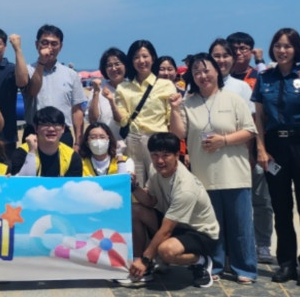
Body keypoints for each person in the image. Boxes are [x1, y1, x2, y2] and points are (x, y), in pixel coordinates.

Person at [171, 54, 258, 283]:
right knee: (212, 226)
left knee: (240, 225)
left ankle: (245, 268)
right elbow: (179, 133)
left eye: (207, 70)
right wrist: (173, 108)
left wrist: (224, 140)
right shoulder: (188, 102)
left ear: (217, 72)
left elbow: (250, 131)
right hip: (204, 174)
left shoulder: (234, 99)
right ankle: (216, 265)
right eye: (197, 72)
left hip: (234, 173)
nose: (203, 76)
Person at [252, 28, 300, 286]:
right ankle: (286, 262)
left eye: (287, 46)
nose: (282, 51)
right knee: (281, 207)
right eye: (278, 46)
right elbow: (259, 117)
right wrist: (261, 148)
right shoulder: (265, 78)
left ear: (296, 49)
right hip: (276, 146)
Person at [123, 132, 221, 288]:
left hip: (199, 232)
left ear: (177, 155)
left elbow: (166, 230)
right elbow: (150, 200)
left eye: (166, 155)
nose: (159, 161)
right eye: (154, 155)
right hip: (176, 224)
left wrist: (146, 259)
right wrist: (133, 187)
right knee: (135, 210)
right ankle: (139, 263)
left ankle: (201, 261)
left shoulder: (186, 188)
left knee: (166, 250)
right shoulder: (155, 169)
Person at [225, 32, 274, 266]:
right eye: (233, 48)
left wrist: (260, 149)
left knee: (261, 199)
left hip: (256, 147)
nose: (238, 52)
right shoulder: (218, 79)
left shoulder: (260, 76)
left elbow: (260, 116)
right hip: (228, 151)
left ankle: (263, 243)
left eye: (243, 48)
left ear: (252, 51)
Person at [114, 40, 178, 180]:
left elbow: (170, 120)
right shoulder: (123, 87)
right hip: (134, 141)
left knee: (161, 183)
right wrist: (110, 102)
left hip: (159, 141)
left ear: (153, 58)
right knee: (136, 184)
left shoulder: (166, 85)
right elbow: (122, 121)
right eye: (136, 57)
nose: (141, 60)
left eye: (145, 56)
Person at [24, 24, 87, 142]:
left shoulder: (71, 74)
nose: (49, 47)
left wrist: (79, 141)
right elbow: (32, 91)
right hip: (34, 132)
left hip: (62, 132)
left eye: (54, 44)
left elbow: (77, 109)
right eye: (45, 43)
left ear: (61, 46)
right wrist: (41, 63)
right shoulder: (27, 70)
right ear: (37, 44)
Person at [9, 107, 84, 176]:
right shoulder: (22, 153)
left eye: (56, 124)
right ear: (35, 128)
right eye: (45, 125)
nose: (51, 129)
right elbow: (19, 184)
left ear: (63, 128)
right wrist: (31, 153)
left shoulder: (72, 157)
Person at [86, 47, 130, 127]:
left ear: (125, 65)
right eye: (109, 65)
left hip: (129, 138)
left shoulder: (133, 88)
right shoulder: (99, 89)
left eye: (117, 64)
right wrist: (96, 93)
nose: (114, 68)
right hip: (104, 138)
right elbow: (92, 120)